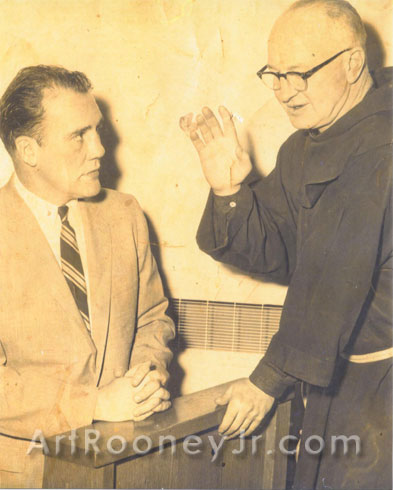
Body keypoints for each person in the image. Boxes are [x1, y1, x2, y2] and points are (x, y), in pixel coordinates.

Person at [180, 0, 392, 488]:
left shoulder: (384, 142)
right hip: (334, 381)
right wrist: (230, 191)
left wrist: (265, 381)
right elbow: (278, 252)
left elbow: (334, 279)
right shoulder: (306, 144)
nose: (280, 91)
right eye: (272, 74)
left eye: (297, 74)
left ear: (353, 63)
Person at [0, 65, 175, 488]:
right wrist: (93, 403)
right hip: (31, 472)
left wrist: (144, 378)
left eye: (96, 130)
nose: (98, 148)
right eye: (78, 135)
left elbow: (153, 317)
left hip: (127, 461)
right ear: (28, 150)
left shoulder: (125, 214)